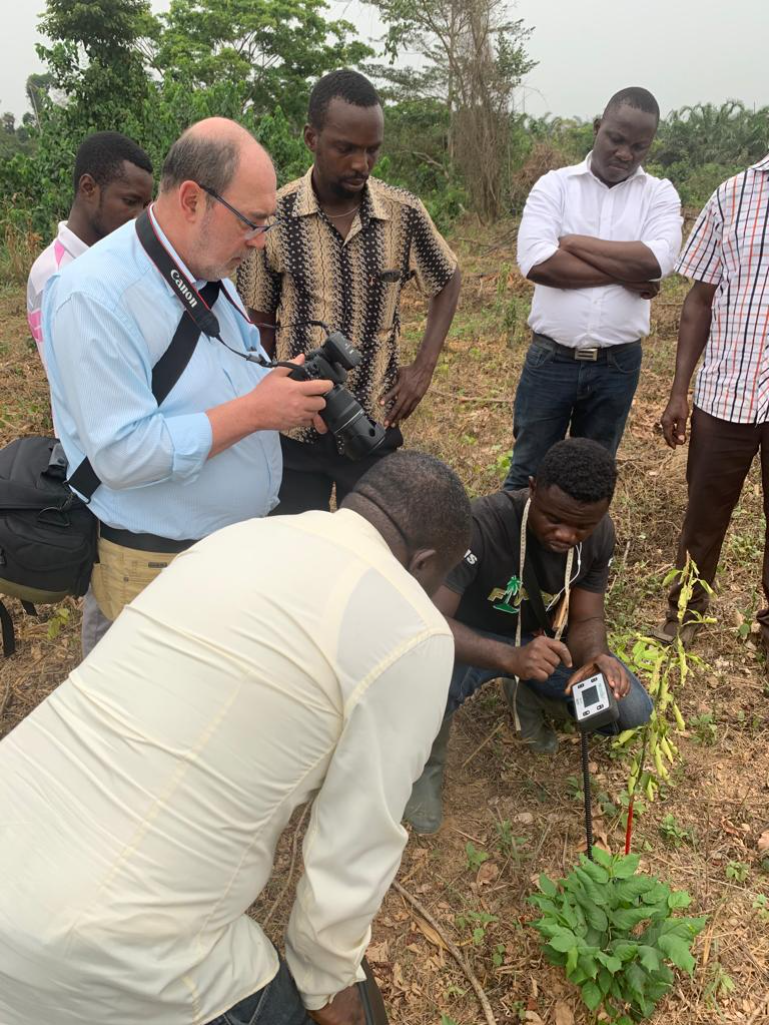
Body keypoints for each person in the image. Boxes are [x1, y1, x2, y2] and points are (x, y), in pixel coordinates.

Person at [0, 451, 471, 1025]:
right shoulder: (413, 631)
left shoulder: (239, 538)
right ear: (423, 564)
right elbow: (353, 850)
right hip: (102, 942)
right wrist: (328, 988)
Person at [43, 118, 332, 657]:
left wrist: (279, 389)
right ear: (193, 201)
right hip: (155, 562)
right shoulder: (95, 294)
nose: (260, 241)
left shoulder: (210, 271)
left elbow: (224, 375)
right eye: (252, 222)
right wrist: (257, 411)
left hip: (218, 549)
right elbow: (123, 455)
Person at [236, 69, 461, 513]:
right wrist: (263, 404)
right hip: (295, 431)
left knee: (370, 541)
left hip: (372, 423)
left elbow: (448, 277)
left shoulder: (403, 213)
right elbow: (258, 321)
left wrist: (423, 368)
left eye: (372, 149)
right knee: (296, 541)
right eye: (346, 149)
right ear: (311, 138)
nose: (361, 163)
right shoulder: (275, 217)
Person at [405, 439, 653, 835]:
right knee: (428, 681)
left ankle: (529, 694)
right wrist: (509, 658)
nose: (567, 534)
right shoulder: (479, 525)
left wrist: (596, 655)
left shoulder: (599, 534)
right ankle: (425, 768)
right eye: (554, 518)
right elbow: (428, 622)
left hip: (539, 640)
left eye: (582, 526)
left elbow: (588, 616)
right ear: (533, 488)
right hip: (466, 640)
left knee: (632, 709)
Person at [504, 87, 682, 491]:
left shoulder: (659, 194)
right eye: (616, 139)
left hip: (617, 366)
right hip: (551, 360)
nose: (625, 154)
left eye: (639, 146)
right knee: (528, 472)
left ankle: (579, 540)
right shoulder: (555, 186)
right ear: (598, 127)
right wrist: (626, 273)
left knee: (593, 480)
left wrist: (572, 242)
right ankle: (517, 536)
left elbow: (657, 261)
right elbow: (538, 262)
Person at [656, 153, 769, 651]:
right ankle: (686, 609)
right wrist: (679, 391)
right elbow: (699, 299)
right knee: (704, 514)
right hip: (727, 392)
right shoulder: (733, 194)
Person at [27, 131, 154, 364]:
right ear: (88, 188)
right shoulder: (56, 276)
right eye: (130, 202)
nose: (140, 217)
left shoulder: (118, 254)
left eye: (145, 206)